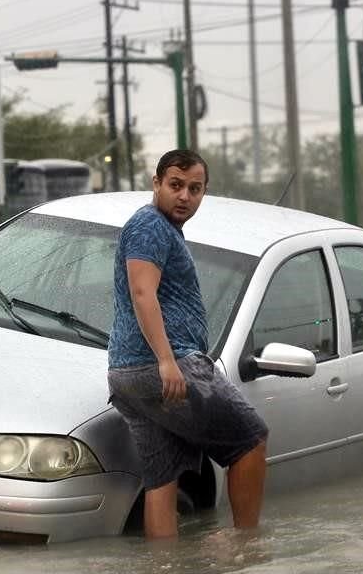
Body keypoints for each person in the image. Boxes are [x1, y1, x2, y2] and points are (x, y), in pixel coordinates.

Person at [107, 149, 269, 540]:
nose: (185, 196)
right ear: (156, 183)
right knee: (251, 439)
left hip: (127, 373)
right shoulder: (150, 226)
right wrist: (166, 361)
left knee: (162, 478)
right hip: (164, 365)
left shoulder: (162, 229)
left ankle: (165, 565)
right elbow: (142, 293)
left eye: (195, 189)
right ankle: (247, 549)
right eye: (176, 185)